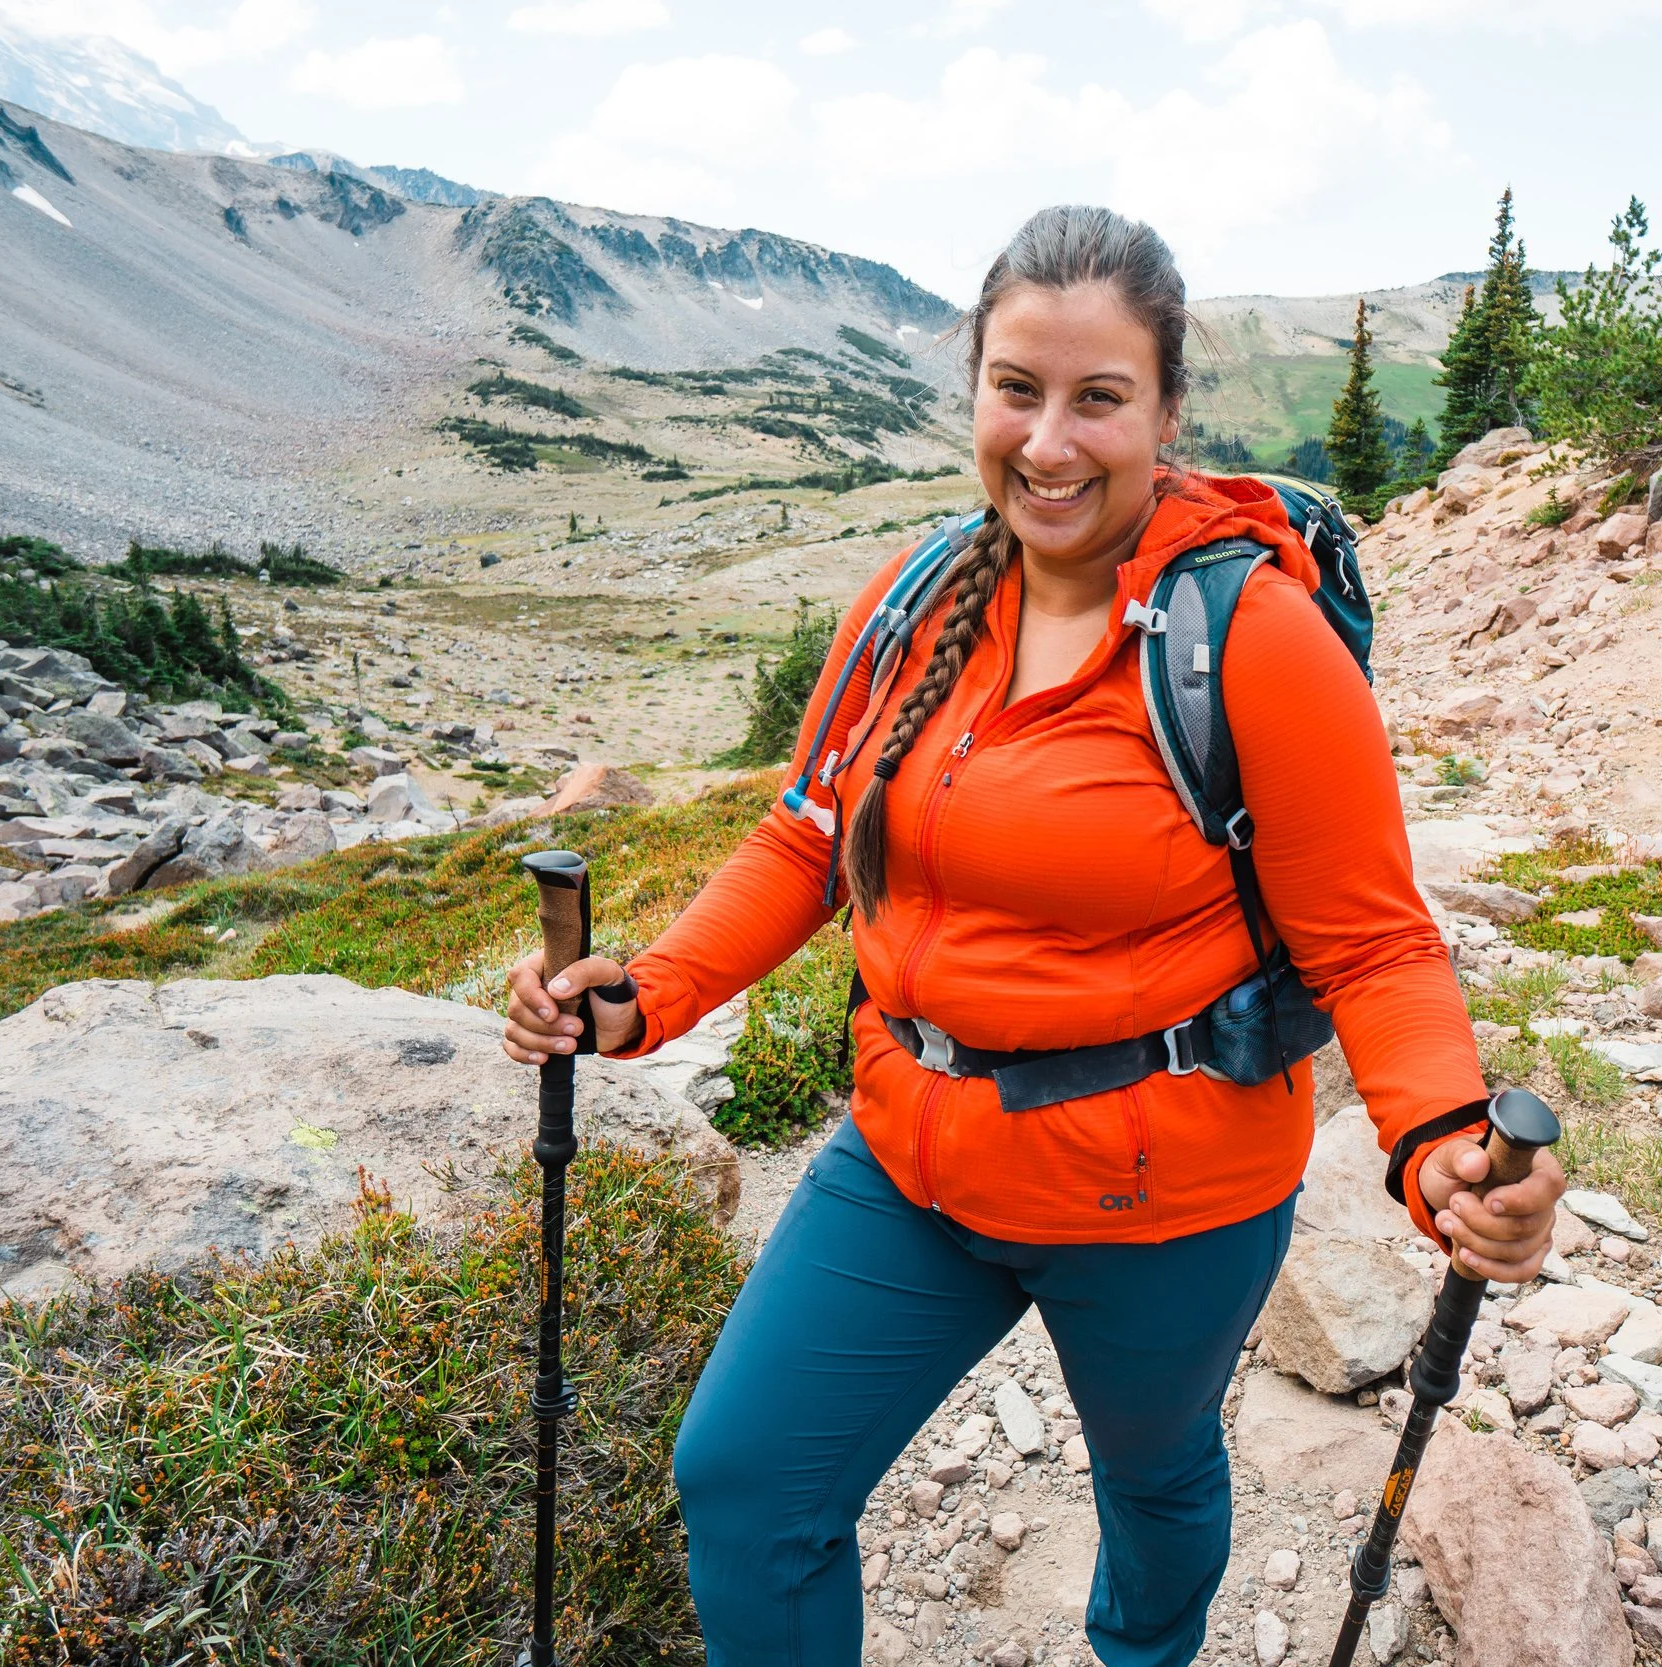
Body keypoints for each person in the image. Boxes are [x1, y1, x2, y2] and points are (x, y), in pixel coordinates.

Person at [502, 203, 1565, 1667]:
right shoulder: (918, 594)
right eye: (1017, 389)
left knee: (1151, 1473)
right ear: (977, 391)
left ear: (1169, 413)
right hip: (910, 1150)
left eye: (1098, 398)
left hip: (1162, 1192)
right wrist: (646, 995)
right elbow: (809, 832)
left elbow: (1373, 943)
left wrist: (1441, 1131)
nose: (1049, 442)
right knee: (746, 1478)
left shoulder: (1251, 638)